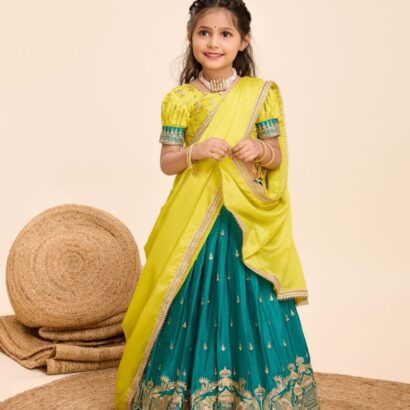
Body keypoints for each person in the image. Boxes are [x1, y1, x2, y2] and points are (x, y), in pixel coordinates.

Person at [115, 1, 321, 408]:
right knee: (187, 299)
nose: (213, 43)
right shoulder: (179, 99)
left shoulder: (260, 94)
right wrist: (195, 151)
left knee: (249, 297)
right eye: (204, 33)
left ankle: (254, 393)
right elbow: (167, 162)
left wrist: (259, 150)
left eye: (225, 34)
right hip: (192, 222)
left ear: (243, 41)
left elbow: (276, 156)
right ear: (191, 38)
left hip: (243, 219)